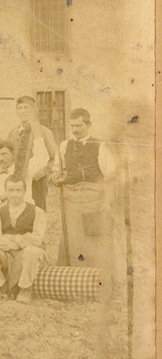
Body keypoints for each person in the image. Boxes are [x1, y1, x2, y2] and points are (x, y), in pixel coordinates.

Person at [51, 108, 116, 267]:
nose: (75, 129)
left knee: (91, 235)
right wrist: (56, 176)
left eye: (79, 125)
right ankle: (70, 272)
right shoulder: (64, 145)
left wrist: (106, 201)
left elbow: (110, 174)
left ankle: (93, 272)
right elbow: (57, 168)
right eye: (72, 126)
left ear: (88, 125)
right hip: (71, 198)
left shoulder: (100, 145)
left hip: (93, 198)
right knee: (72, 236)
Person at [0, 175, 47, 303]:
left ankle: (25, 289)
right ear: (5, 191)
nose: (14, 194)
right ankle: (0, 287)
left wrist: (12, 238)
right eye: (10, 190)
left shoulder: (38, 212)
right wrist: (20, 241)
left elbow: (37, 240)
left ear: (24, 192)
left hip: (28, 253)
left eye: (18, 190)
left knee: (32, 251)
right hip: (6, 253)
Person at [6, 96, 57, 211]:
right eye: (20, 108)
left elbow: (54, 158)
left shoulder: (44, 132)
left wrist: (44, 172)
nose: (23, 111)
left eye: (26, 108)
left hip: (36, 182)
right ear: (16, 111)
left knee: (37, 212)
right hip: (16, 182)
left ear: (33, 111)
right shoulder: (12, 133)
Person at [0, 140, 35, 212]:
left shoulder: (23, 171)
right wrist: (2, 197)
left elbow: (42, 158)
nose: (1, 158)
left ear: (13, 155)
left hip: (23, 215)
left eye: (5, 154)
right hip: (0, 218)